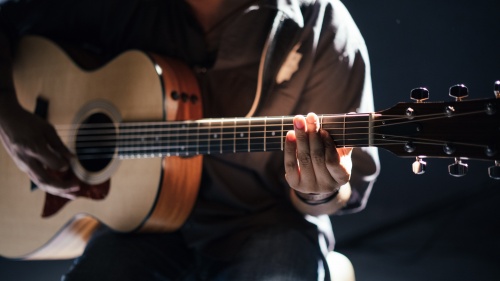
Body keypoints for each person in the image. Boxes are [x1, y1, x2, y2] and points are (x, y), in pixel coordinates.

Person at [0, 0, 379, 280]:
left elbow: (340, 192)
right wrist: (9, 117)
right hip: (139, 227)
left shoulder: (323, 25)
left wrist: (319, 189)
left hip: (265, 224)